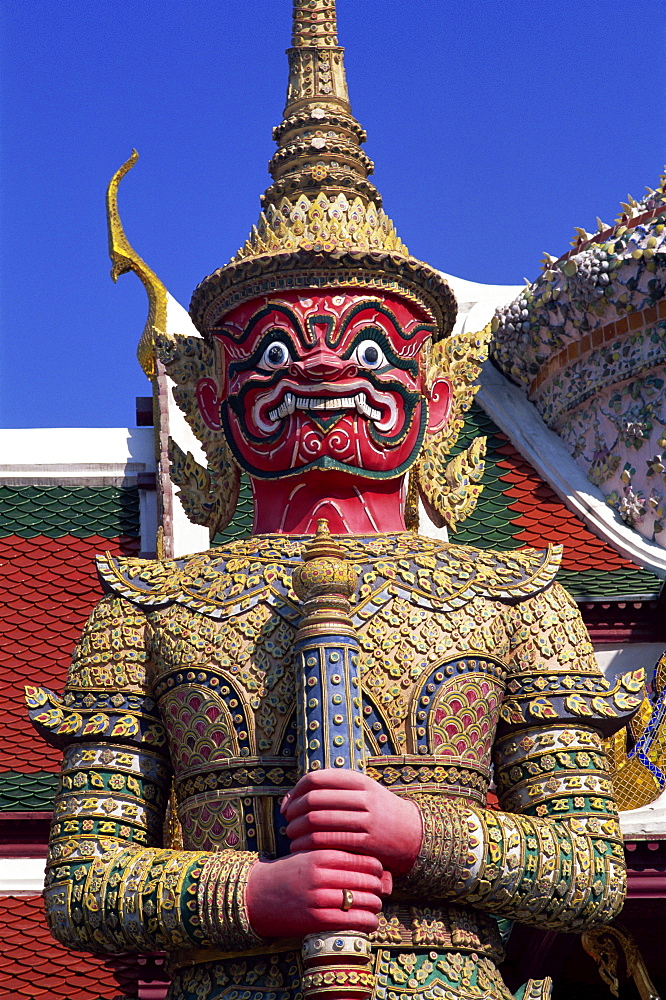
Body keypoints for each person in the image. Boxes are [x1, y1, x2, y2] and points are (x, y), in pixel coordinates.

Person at [28, 3, 639, 999]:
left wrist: (416, 833)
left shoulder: (516, 599)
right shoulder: (142, 613)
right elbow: (86, 882)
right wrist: (264, 891)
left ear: (434, 390)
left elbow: (591, 871)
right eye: (275, 348)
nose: (319, 364)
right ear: (213, 395)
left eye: (363, 345)